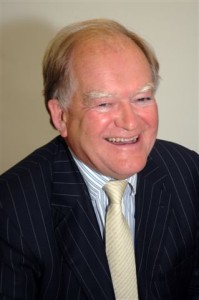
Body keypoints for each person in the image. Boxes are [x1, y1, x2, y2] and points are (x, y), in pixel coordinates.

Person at [0, 18, 199, 300]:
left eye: (142, 98)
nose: (131, 123)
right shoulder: (11, 208)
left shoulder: (187, 172)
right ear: (61, 116)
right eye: (104, 103)